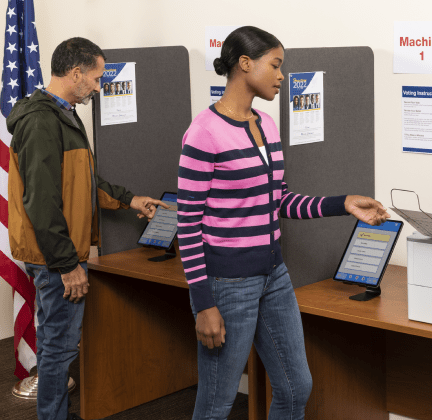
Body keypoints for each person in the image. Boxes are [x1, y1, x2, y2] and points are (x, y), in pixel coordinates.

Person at [177, 26, 389, 420]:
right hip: (228, 284)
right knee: (217, 402)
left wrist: (345, 204)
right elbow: (188, 225)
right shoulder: (203, 133)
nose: (280, 76)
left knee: (296, 387)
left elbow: (281, 202)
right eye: (275, 65)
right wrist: (203, 304)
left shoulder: (267, 126)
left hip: (274, 275)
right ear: (244, 64)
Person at [7, 37, 168, 420]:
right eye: (95, 79)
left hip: (54, 254)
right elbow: (42, 202)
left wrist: (129, 199)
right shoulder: (43, 121)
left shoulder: (61, 112)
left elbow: (80, 178)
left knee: (53, 345)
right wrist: (67, 265)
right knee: (59, 349)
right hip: (54, 257)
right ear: (76, 73)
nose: (98, 87)